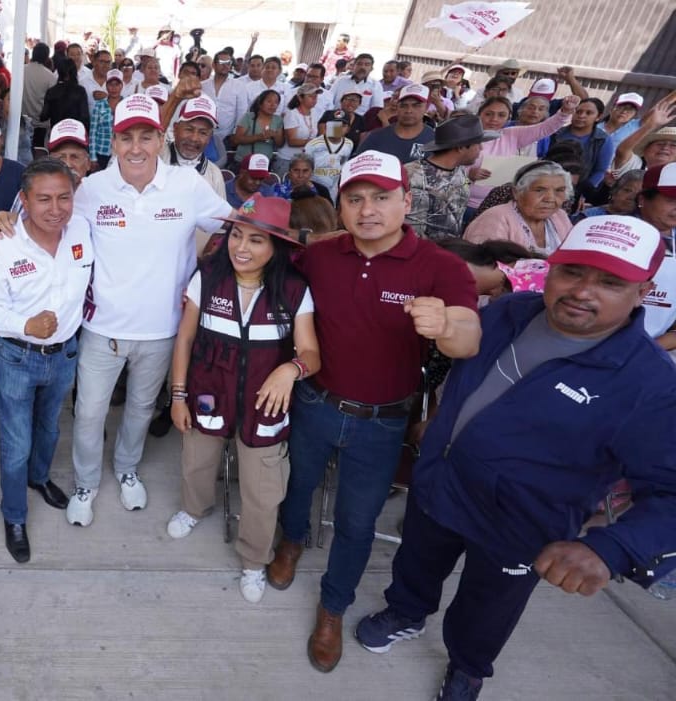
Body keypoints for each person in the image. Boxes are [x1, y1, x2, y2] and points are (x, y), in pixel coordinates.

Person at [354, 214, 676, 700]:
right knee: (416, 562)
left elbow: (670, 493)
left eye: (610, 282)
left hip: (521, 524)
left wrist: (611, 549)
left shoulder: (650, 385)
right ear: (553, 266)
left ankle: (467, 666)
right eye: (572, 272)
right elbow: (468, 371)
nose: (582, 291)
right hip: (440, 482)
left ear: (644, 289)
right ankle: (406, 612)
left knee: (488, 605)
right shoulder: (511, 311)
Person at [267, 151, 480, 674]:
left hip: (382, 422)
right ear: (339, 205)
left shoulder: (440, 266)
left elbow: (469, 339)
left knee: (357, 522)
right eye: (355, 198)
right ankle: (291, 544)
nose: (367, 210)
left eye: (381, 197)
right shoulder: (320, 255)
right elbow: (269, 270)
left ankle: (333, 607)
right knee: (296, 486)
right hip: (316, 401)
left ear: (406, 200)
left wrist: (445, 327)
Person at [6, 94, 232, 526]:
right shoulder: (91, 189)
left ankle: (127, 470)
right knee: (90, 412)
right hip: (101, 328)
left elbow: (234, 225)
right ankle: (86, 482)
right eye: (127, 137)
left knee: (141, 409)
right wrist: (6, 219)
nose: (135, 147)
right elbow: (45, 221)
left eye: (146, 136)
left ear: (160, 138)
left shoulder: (188, 187)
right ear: (114, 141)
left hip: (162, 330)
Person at [168, 196, 318, 604]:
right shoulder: (208, 278)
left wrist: (291, 370)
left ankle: (254, 559)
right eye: (236, 235)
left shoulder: (293, 290)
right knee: (197, 460)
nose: (241, 248)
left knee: (263, 488)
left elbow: (311, 353)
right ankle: (193, 508)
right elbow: (184, 337)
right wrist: (178, 395)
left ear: (276, 248)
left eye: (255, 240)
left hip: (264, 406)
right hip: (207, 393)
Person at [0, 159, 90, 562]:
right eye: (43, 199)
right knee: (15, 442)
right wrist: (26, 324)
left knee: (49, 427)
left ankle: (39, 478)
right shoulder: (0, 247)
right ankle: (14, 515)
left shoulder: (83, 230)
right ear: (23, 200)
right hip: (18, 357)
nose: (56, 208)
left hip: (65, 355)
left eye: (64, 197)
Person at [467, 95, 576, 217]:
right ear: (479, 114)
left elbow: (544, 129)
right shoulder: (465, 136)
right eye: (489, 114)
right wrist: (467, 175)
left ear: (509, 117)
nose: (494, 119)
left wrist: (565, 112)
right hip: (465, 203)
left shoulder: (511, 134)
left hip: (499, 205)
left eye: (501, 115)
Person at [405, 114, 495, 241]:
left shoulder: (459, 168)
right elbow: (413, 234)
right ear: (461, 147)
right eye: (478, 144)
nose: (481, 148)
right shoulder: (416, 178)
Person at [465, 161, 575, 255]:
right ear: (516, 193)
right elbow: (481, 269)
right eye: (539, 190)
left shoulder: (560, 216)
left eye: (559, 190)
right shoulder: (495, 219)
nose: (550, 198)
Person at [635, 164, 676, 349]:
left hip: (654, 351)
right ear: (643, 199)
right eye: (670, 199)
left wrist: (648, 350)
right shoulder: (610, 233)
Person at [549, 98, 616, 195]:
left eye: (588, 113)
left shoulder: (603, 140)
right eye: (578, 111)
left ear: (598, 117)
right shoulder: (557, 133)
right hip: (550, 183)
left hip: (580, 190)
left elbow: (600, 171)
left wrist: (584, 193)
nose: (581, 116)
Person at [355, 84, 436, 163]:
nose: (409, 110)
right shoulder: (376, 137)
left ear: (426, 107)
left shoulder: (434, 141)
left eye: (416, 105)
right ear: (397, 107)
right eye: (403, 105)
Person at [305, 110, 354, 198]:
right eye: (334, 125)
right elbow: (305, 167)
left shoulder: (349, 144)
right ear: (327, 126)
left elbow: (342, 163)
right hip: (314, 188)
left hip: (333, 190)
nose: (338, 129)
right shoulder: (313, 144)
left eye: (343, 126)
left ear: (348, 129)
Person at [276, 84, 322, 175]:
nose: (314, 99)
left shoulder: (315, 113)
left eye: (315, 96)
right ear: (300, 98)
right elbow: (292, 141)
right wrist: (315, 142)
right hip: (288, 160)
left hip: (304, 161)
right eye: (310, 96)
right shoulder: (292, 114)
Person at [231, 89, 284, 165]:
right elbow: (237, 140)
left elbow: (280, 144)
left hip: (264, 163)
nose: (273, 105)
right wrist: (259, 137)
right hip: (244, 162)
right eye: (269, 101)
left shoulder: (278, 120)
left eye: (276, 102)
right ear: (260, 103)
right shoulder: (248, 117)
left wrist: (274, 135)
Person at [88, 69, 127, 169]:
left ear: (122, 85)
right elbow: (93, 132)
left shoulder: (127, 105)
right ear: (106, 86)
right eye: (111, 84)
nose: (114, 88)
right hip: (101, 152)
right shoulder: (99, 105)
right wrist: (93, 157)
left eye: (117, 84)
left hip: (121, 152)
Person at [573, 169, 643, 223]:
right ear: (615, 191)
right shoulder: (587, 217)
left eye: (640, 193)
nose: (632, 197)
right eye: (628, 190)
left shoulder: (642, 224)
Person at [23, 43, 58, 149]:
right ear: (47, 56)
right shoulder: (50, 77)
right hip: (41, 124)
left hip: (22, 121)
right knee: (40, 155)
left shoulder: (20, 71)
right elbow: (53, 102)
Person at [326, 53, 383, 118]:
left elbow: (376, 110)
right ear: (353, 66)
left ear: (371, 68)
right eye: (359, 64)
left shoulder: (375, 85)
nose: (362, 67)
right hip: (336, 118)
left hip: (359, 123)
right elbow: (328, 100)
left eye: (367, 65)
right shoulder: (341, 80)